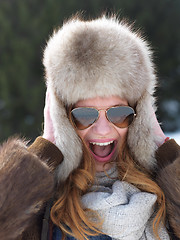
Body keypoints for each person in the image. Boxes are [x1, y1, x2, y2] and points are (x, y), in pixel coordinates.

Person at [0, 14, 179, 240]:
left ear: (138, 115)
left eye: (119, 113)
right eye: (84, 115)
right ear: (64, 118)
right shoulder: (41, 203)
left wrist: (167, 154)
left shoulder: (166, 195)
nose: (103, 129)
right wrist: (43, 155)